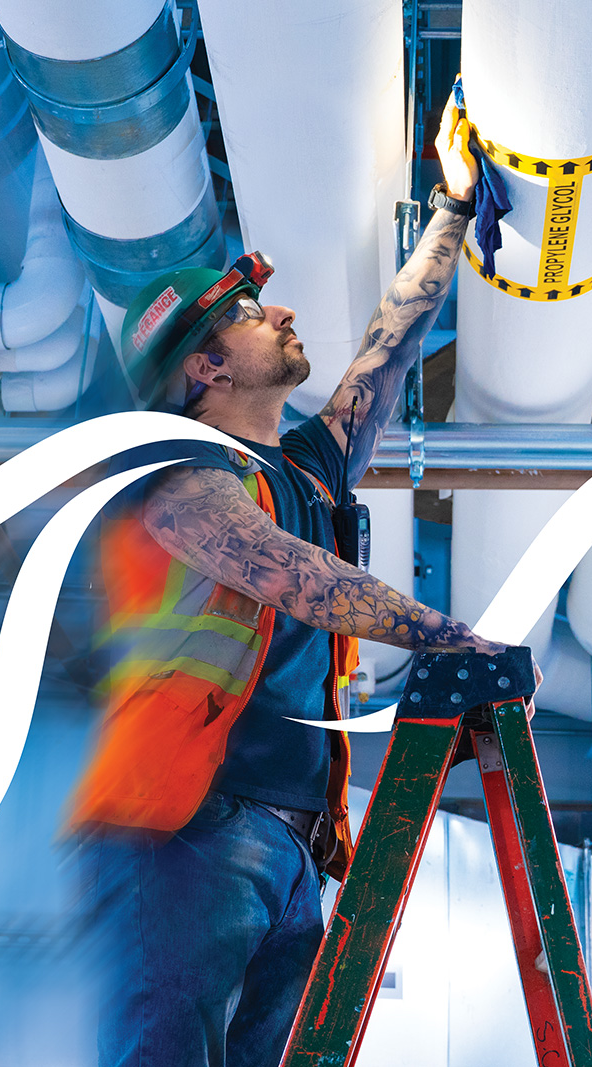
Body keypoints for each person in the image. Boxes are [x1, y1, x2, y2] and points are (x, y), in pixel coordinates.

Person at [68, 94, 500, 1067]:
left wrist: (450, 211)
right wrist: (450, 636)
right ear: (206, 366)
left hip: (291, 844)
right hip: (183, 830)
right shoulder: (173, 473)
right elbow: (284, 572)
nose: (289, 311)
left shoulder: (301, 468)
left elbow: (387, 353)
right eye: (257, 313)